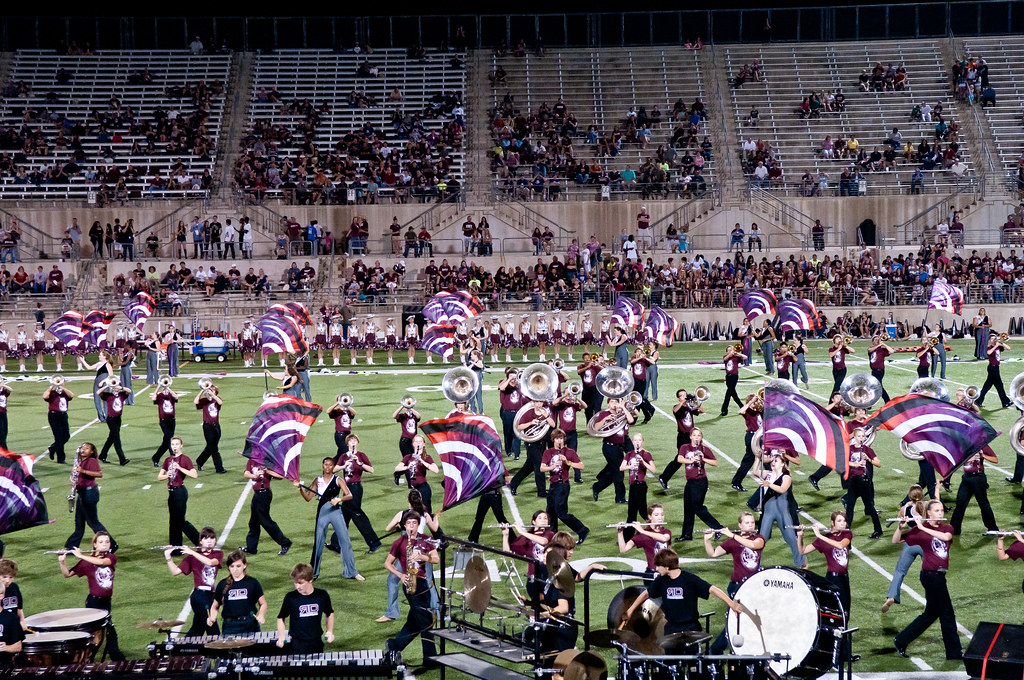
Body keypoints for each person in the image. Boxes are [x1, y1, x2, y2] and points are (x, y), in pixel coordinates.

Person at [892, 500, 962, 661]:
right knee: (947, 614)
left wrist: (923, 527)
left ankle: (901, 640)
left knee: (931, 614)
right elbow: (896, 540)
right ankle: (954, 653)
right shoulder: (919, 530)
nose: (940, 513)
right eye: (936, 510)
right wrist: (900, 527)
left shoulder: (946, 528)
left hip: (939, 576)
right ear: (928, 513)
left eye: (941, 510)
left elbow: (946, 537)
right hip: (931, 576)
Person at [621, 548, 742, 636]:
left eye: (658, 566)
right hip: (671, 627)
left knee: (692, 662)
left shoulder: (689, 579)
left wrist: (731, 604)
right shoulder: (661, 580)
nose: (656, 569)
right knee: (671, 662)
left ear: (667, 567)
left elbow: (712, 589)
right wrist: (630, 611)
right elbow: (646, 593)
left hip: (690, 627)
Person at [384, 512, 439, 668]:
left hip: (423, 584)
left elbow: (436, 559)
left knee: (415, 622)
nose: (411, 526)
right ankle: (430, 659)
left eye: (414, 523)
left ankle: (394, 645)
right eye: (408, 523)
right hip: (409, 584)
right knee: (426, 620)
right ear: (404, 525)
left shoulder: (426, 539)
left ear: (418, 524)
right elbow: (387, 563)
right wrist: (401, 575)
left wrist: (422, 557)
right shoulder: (399, 542)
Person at [57, 531, 124, 660]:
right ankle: (110, 657)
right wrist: (62, 561)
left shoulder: (111, 557)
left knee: (106, 630)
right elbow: (67, 574)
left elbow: (101, 563)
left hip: (106, 602)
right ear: (95, 545)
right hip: (94, 603)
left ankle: (101, 656)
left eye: (107, 542)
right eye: (101, 542)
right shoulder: (86, 562)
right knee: (102, 632)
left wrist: (80, 555)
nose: (104, 544)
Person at [705, 511, 765, 653]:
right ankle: (715, 651)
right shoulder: (732, 542)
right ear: (740, 525)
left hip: (753, 586)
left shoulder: (759, 538)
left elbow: (753, 545)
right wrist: (707, 540)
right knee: (737, 621)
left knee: (749, 620)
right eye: (747, 523)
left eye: (752, 522)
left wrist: (732, 535)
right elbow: (713, 553)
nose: (750, 526)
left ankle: (730, 651)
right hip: (737, 587)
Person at [296, 457, 363, 581]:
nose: (328, 467)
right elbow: (308, 498)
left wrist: (339, 499)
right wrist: (300, 489)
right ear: (323, 466)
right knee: (318, 543)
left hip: (336, 513)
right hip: (322, 513)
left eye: (330, 465)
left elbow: (349, 495)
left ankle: (351, 572)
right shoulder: (317, 480)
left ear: (333, 467)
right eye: (326, 464)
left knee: (345, 541)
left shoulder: (338, 480)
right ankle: (313, 574)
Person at [379, 491, 441, 622]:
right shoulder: (425, 515)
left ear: (408, 501)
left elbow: (387, 528)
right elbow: (435, 529)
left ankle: (391, 612)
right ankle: (436, 613)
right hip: (423, 550)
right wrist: (436, 517)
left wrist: (398, 526)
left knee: (392, 580)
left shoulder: (402, 514)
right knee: (429, 582)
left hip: (406, 551)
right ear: (420, 499)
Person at [163, 527, 222, 636]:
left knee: (197, 629)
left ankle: (185, 645)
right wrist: (168, 556)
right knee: (213, 629)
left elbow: (210, 562)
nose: (209, 541)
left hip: (210, 596)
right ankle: (217, 647)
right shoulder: (191, 557)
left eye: (212, 538)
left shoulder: (217, 554)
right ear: (201, 541)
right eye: (206, 538)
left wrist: (192, 552)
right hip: (199, 596)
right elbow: (175, 572)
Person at [64, 442, 119, 552]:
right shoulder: (80, 461)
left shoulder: (91, 461)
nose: (83, 450)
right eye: (82, 448)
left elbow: (99, 474)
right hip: (82, 493)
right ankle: (72, 547)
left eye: (87, 448)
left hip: (89, 493)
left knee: (93, 522)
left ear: (92, 452)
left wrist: (83, 471)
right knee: (79, 522)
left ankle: (111, 545)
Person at [797, 512, 853, 615]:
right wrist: (800, 536)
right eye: (839, 521)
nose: (843, 524)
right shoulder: (824, 538)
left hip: (844, 578)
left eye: (844, 521)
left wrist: (819, 535)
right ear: (832, 523)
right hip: (833, 578)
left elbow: (840, 545)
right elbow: (803, 551)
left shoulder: (847, 534)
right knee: (834, 609)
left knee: (846, 609)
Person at [882, 484, 927, 613]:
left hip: (910, 543)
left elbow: (900, 520)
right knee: (930, 573)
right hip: (925, 544)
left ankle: (891, 596)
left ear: (909, 496)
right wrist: (936, 491)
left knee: (899, 572)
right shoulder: (927, 506)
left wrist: (906, 507)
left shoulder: (904, 509)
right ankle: (934, 599)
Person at [757, 453, 807, 568]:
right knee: (761, 538)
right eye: (772, 460)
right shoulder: (768, 474)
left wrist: (768, 484)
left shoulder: (786, 477)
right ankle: (755, 563)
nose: (773, 462)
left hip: (782, 512)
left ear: (783, 464)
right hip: (768, 511)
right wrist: (757, 458)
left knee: (791, 538)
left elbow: (782, 489)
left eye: (776, 461)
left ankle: (801, 561)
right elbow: (755, 471)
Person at [334, 434, 382, 554]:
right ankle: (336, 543)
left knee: (357, 515)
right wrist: (344, 465)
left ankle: (374, 542)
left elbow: (371, 470)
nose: (353, 442)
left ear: (357, 443)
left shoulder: (361, 455)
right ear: (347, 444)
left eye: (355, 440)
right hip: (346, 488)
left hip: (355, 488)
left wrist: (360, 463)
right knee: (344, 516)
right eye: (351, 441)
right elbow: (334, 469)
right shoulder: (344, 456)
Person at [541, 429, 588, 544]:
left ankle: (582, 530)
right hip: (553, 485)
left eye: (561, 438)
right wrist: (552, 467)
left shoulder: (569, 452)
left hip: (562, 485)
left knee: (561, 513)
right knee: (550, 513)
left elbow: (581, 466)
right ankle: (553, 536)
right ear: (553, 440)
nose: (559, 441)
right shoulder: (548, 452)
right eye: (557, 439)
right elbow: (542, 468)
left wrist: (567, 462)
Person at [277, 563, 334, 654]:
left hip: (316, 642)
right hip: (296, 643)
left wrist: (329, 631)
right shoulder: (291, 597)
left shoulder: (322, 595)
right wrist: (281, 637)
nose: (297, 586)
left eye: (300, 583)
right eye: (295, 582)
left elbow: (329, 613)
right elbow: (281, 617)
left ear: (310, 580)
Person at [207, 550, 268, 635]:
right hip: (230, 627)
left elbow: (263, 603)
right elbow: (215, 606)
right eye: (232, 566)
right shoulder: (222, 584)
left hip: (250, 625)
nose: (235, 570)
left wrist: (261, 614)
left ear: (245, 565)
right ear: (228, 567)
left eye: (238, 566)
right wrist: (212, 617)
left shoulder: (252, 582)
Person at [677, 428, 723, 540]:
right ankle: (687, 534)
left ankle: (718, 528)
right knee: (688, 508)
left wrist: (703, 459)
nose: (696, 437)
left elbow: (715, 462)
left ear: (701, 437)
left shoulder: (704, 449)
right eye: (694, 435)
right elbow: (679, 459)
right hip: (690, 482)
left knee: (697, 507)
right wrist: (691, 460)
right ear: (690, 437)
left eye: (699, 435)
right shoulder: (685, 447)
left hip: (700, 481)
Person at [158, 436, 201, 550]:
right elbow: (159, 477)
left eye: (177, 444)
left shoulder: (185, 459)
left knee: (180, 521)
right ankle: (175, 546)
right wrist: (167, 475)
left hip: (180, 492)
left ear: (181, 445)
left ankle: (199, 541)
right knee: (173, 521)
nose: (175, 447)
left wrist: (180, 468)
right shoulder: (168, 460)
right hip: (171, 493)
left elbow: (194, 475)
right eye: (173, 444)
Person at [243, 460, 292, 556]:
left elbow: (281, 476)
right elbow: (246, 473)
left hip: (264, 495)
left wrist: (267, 471)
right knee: (253, 522)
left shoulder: (267, 461)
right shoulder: (251, 460)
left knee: (266, 522)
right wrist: (255, 475)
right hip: (257, 495)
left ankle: (285, 542)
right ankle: (251, 548)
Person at [503, 511, 553, 602]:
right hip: (533, 578)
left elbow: (543, 541)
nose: (543, 520)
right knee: (538, 605)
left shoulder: (550, 534)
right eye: (540, 518)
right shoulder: (525, 539)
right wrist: (505, 535)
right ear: (534, 522)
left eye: (545, 518)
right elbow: (507, 553)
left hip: (547, 576)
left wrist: (522, 532)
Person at [949, 445, 999, 535]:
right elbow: (956, 461)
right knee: (960, 503)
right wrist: (967, 458)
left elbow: (995, 460)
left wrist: (983, 456)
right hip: (966, 478)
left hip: (978, 478)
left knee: (983, 504)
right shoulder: (962, 446)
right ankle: (954, 529)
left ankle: (993, 528)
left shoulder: (982, 445)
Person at [591, 397, 633, 504]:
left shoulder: (622, 413)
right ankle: (620, 498)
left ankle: (597, 486)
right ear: (608, 404)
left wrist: (623, 407)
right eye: (612, 401)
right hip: (609, 447)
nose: (614, 403)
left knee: (614, 472)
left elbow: (631, 420)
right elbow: (596, 427)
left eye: (616, 401)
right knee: (619, 472)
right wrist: (606, 419)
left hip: (620, 446)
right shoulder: (604, 414)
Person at [509, 400, 554, 498]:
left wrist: (546, 416)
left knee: (529, 466)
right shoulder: (528, 413)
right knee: (540, 466)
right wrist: (531, 423)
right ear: (533, 403)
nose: (539, 404)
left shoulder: (545, 412)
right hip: (531, 443)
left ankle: (513, 483)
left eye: (540, 402)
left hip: (541, 443)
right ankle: (541, 492)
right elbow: (519, 427)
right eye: (537, 402)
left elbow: (553, 425)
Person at [846, 427, 884, 539]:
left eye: (863, 436)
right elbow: (843, 462)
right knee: (850, 506)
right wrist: (855, 464)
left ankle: (878, 530)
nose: (861, 438)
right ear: (855, 437)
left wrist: (868, 459)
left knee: (870, 507)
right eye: (859, 436)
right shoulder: (850, 448)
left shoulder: (867, 449)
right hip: (853, 481)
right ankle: (846, 530)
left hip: (864, 480)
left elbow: (878, 463)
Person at [617, 504, 672, 572]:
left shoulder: (666, 531)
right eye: (656, 515)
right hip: (652, 572)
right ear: (650, 516)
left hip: (667, 571)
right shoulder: (642, 535)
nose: (660, 517)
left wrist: (642, 531)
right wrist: (620, 532)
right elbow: (623, 549)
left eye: (662, 514)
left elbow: (664, 538)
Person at [396, 434, 440, 512]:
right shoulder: (408, 457)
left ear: (424, 444)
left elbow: (436, 470)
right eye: (416, 441)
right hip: (413, 489)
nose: (418, 443)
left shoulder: (427, 457)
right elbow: (397, 468)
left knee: (426, 512)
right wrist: (408, 467)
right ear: (413, 444)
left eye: (420, 441)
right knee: (413, 512)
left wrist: (422, 461)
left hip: (423, 488)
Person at [620, 432, 655, 526]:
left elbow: (653, 470)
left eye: (639, 440)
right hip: (633, 485)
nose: (637, 442)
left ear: (642, 441)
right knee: (631, 512)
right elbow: (621, 468)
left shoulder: (646, 454)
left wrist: (643, 462)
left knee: (643, 511)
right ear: (632, 442)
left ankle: (654, 526)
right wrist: (630, 466)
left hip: (641, 485)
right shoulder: (629, 454)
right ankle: (628, 534)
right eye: (635, 440)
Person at [731, 394, 762, 492]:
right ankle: (736, 482)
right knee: (749, 460)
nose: (755, 403)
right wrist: (751, 402)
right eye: (754, 402)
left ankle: (770, 481)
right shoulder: (748, 411)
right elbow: (741, 411)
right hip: (752, 436)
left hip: (760, 437)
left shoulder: (760, 411)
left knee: (766, 458)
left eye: (756, 401)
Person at [97, 378, 130, 465]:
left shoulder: (122, 395)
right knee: (116, 439)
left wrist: (121, 388)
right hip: (111, 419)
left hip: (118, 419)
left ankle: (102, 455)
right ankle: (122, 459)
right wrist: (108, 385)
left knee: (111, 438)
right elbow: (98, 392)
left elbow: (129, 391)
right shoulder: (108, 396)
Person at [975, 333, 1013, 409]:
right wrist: (996, 345)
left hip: (996, 368)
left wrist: (1001, 342)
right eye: (992, 339)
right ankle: (1005, 402)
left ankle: (978, 401)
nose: (993, 340)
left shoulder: (998, 347)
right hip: (992, 368)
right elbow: (988, 353)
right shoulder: (989, 347)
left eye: (994, 338)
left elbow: (1009, 348)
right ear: (989, 340)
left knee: (987, 386)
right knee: (999, 386)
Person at [194, 384, 225, 473]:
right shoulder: (205, 401)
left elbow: (220, 402)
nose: (210, 391)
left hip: (216, 426)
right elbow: (196, 401)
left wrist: (213, 395)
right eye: (209, 389)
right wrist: (202, 390)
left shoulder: (217, 399)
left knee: (210, 447)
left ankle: (199, 461)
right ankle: (219, 468)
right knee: (214, 449)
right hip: (208, 427)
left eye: (212, 390)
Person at [43, 379, 74, 463]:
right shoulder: (52, 393)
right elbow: (45, 396)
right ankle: (61, 459)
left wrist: (62, 388)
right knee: (58, 437)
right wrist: (51, 387)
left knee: (66, 436)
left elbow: (71, 395)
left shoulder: (64, 393)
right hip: (54, 415)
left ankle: (53, 448)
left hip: (63, 415)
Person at [151, 379, 180, 466]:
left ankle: (156, 457)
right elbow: (153, 398)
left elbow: (176, 397)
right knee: (169, 439)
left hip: (172, 420)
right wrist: (158, 387)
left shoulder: (171, 394)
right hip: (164, 421)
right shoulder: (160, 396)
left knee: (166, 442)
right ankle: (173, 457)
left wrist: (168, 388)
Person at [392, 402, 421, 485]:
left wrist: (411, 409)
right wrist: (402, 406)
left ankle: (398, 473)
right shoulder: (403, 416)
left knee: (415, 461)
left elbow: (419, 416)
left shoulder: (414, 416)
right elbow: (394, 416)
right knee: (409, 461)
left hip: (414, 442)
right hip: (405, 442)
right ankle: (410, 483)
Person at [498, 368, 524, 460]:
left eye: (514, 376)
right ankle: (508, 451)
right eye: (511, 376)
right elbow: (501, 388)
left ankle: (517, 453)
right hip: (507, 412)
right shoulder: (503, 383)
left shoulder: (520, 385)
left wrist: (519, 381)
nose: (513, 378)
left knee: (517, 433)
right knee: (508, 433)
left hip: (518, 412)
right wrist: (509, 379)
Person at [0, 574, 24, 671]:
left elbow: (18, 647)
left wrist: (5, 648)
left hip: (4, 666)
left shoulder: (11, 619)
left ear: (1, 595)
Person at [628, 347, 655, 424]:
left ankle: (635, 418)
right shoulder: (634, 358)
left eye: (640, 351)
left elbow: (653, 363)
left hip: (642, 381)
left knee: (638, 399)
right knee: (635, 399)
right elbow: (632, 362)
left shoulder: (643, 360)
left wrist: (645, 357)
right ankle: (649, 411)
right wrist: (640, 357)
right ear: (635, 353)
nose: (639, 353)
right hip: (634, 381)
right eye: (637, 351)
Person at [995, 530, 1024, 595]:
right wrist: (1000, 540)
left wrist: (1021, 539)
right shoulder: (1020, 544)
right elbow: (1002, 556)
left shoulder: (1021, 541)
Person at [720, 345, 746, 416]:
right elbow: (725, 359)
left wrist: (737, 354)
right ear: (727, 351)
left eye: (731, 350)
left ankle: (724, 410)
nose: (730, 351)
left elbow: (745, 357)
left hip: (734, 376)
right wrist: (730, 354)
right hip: (728, 377)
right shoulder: (725, 356)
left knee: (728, 393)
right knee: (734, 394)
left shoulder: (736, 357)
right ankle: (742, 406)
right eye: (729, 350)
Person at [867, 333, 893, 402]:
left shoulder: (882, 349)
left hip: (880, 370)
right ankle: (886, 401)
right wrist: (879, 345)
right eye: (875, 340)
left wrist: (884, 344)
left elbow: (892, 351)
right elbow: (869, 350)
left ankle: (887, 401)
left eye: (878, 340)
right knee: (875, 387)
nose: (877, 341)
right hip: (874, 370)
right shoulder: (870, 348)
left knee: (878, 387)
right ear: (872, 342)